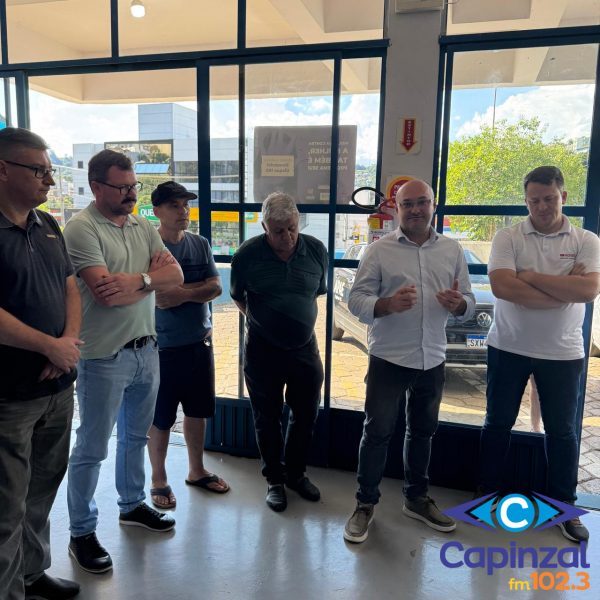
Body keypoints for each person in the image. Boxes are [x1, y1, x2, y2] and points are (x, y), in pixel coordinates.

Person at [63, 150, 183, 574]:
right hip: (103, 357)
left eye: (134, 186)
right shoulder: (81, 229)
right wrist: (151, 282)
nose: (132, 194)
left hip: (146, 350)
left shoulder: (140, 225)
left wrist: (138, 280)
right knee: (92, 448)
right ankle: (81, 532)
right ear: (96, 187)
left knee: (135, 438)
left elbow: (176, 277)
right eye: (122, 187)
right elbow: (104, 295)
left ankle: (132, 505)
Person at [343, 179, 475, 543]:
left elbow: (467, 302)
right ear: (397, 209)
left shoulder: (452, 250)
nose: (415, 209)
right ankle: (365, 504)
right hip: (389, 357)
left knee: (423, 432)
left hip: (432, 357)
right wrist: (387, 304)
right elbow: (356, 301)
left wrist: (460, 305)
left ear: (433, 205)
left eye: (422, 202)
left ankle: (416, 499)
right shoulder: (379, 251)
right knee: (377, 433)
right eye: (407, 204)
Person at [478, 165, 600, 544]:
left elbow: (588, 291)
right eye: (534, 200)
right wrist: (564, 287)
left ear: (563, 196)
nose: (542, 206)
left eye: (549, 198)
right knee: (497, 424)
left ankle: (563, 507)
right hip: (508, 346)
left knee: (562, 432)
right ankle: (486, 498)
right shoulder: (508, 237)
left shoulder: (586, 240)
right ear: (526, 200)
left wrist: (528, 277)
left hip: (563, 352)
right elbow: (503, 287)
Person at [0, 128, 81, 599]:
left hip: (57, 387)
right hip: (9, 397)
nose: (50, 180)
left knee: (42, 490)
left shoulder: (47, 224)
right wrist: (48, 346)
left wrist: (65, 344)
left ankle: (31, 574)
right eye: (39, 171)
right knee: (5, 506)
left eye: (50, 171)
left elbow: (69, 286)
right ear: (3, 169)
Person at [230, 192, 327, 512]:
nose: (287, 237)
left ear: (299, 223)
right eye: (278, 231)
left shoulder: (316, 250)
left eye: (292, 228)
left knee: (306, 415)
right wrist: (264, 323)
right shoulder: (247, 255)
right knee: (267, 418)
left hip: (305, 349)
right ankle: (274, 480)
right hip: (262, 351)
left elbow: (316, 293)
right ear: (264, 228)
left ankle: (296, 474)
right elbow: (238, 297)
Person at [147, 181, 229, 509]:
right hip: (160, 348)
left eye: (186, 205)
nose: (183, 211)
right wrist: (196, 290)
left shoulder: (199, 244)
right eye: (174, 205)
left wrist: (182, 294)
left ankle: (197, 470)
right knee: (161, 418)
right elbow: (152, 297)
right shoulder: (148, 248)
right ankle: (158, 479)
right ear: (156, 211)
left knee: (197, 412)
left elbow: (215, 288)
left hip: (199, 343)